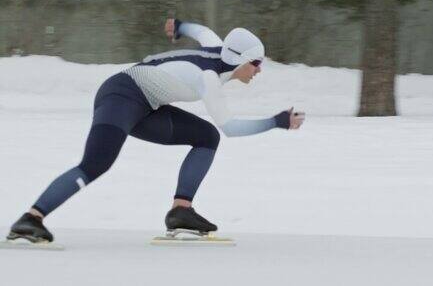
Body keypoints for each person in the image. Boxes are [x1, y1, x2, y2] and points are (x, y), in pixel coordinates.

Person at [7, 18, 305, 243]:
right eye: (256, 63)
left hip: (147, 106)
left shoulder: (219, 47)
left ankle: (181, 211)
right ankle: (31, 218)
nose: (259, 70)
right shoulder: (209, 78)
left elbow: (200, 31)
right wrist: (276, 122)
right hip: (121, 94)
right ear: (240, 59)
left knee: (206, 137)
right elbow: (231, 128)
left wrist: (179, 26)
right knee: (97, 163)